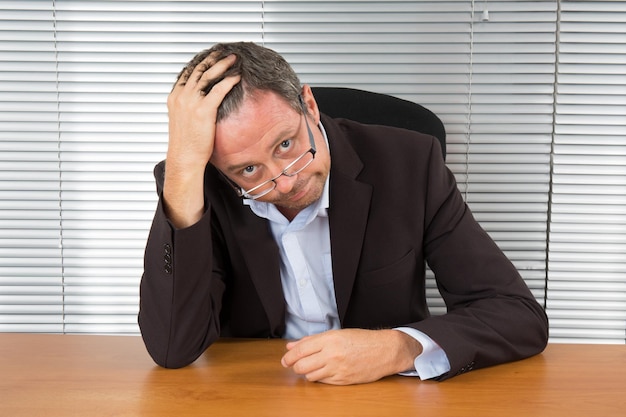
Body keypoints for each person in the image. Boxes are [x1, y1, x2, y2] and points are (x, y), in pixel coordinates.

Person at [138, 41, 548, 385]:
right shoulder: (199, 184)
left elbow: (517, 314)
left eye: (285, 144)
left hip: (386, 394)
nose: (283, 183)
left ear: (310, 106)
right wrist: (182, 173)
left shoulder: (410, 163)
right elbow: (174, 347)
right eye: (248, 170)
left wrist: (399, 348)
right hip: (259, 392)